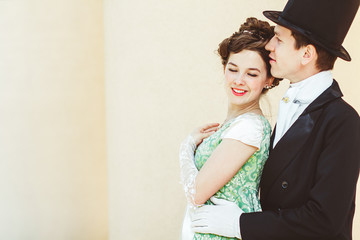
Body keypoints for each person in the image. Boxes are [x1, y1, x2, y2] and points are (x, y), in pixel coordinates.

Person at [191, 0, 360, 239]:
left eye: (279, 39)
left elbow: (325, 219)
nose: (269, 45)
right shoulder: (290, 104)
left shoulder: (343, 120)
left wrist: (239, 224)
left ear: (306, 54)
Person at [179, 17, 282, 239]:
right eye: (233, 69)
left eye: (252, 74)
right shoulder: (234, 125)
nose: (238, 80)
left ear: (269, 79)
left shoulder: (249, 128)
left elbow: (196, 193)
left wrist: (186, 148)